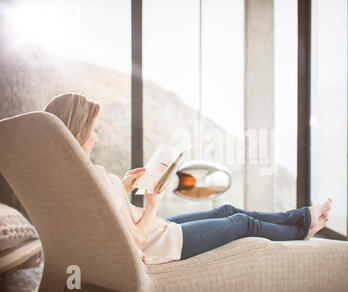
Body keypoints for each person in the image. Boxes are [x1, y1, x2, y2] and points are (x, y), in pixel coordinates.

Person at [44, 93, 331, 264]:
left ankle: (301, 216)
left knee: (227, 210)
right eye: (94, 130)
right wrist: (153, 203)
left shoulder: (72, 179)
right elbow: (135, 238)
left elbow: (106, 216)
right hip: (159, 245)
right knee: (241, 223)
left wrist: (122, 188)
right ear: (78, 131)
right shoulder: (88, 176)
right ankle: (301, 229)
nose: (97, 139)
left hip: (157, 233)